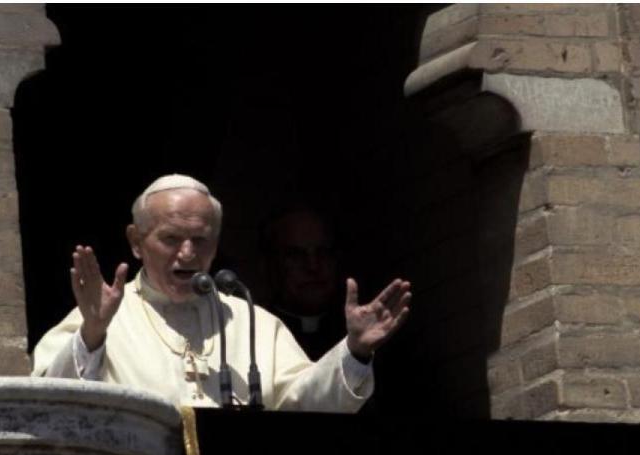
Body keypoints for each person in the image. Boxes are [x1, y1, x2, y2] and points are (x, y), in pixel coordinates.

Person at [31, 174, 411, 413]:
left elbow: (304, 404)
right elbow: (51, 405)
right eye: (171, 239)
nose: (187, 253)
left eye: (201, 240)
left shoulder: (251, 322)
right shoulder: (102, 315)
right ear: (136, 241)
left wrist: (355, 352)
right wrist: (93, 335)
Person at [261, 206, 346, 360]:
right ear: (271, 264)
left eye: (323, 252)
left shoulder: (359, 336)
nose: (313, 266)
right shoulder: (257, 337)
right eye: (295, 255)